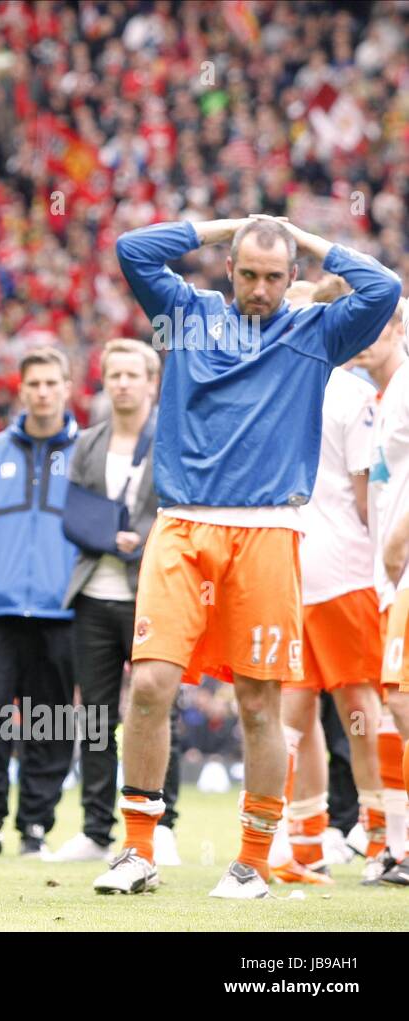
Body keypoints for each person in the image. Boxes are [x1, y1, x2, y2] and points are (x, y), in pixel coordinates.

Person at [94, 215, 401, 898]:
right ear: (228, 268)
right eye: (248, 273)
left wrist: (304, 237)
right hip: (180, 525)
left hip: (267, 531)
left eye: (273, 276)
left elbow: (383, 287)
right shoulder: (185, 312)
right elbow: (132, 249)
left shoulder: (315, 332)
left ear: (293, 279)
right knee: (147, 686)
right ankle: (139, 848)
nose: (259, 289)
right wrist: (233, 225)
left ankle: (253, 861)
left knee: (259, 702)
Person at [267, 279, 380, 886]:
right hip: (295, 573)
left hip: (339, 573)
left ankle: (384, 836)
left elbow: (367, 498)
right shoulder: (287, 387)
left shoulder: (345, 392)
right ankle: (304, 845)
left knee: (354, 706)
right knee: (301, 711)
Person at [54, 339, 182, 865]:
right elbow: (74, 512)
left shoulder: (170, 438)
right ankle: (96, 828)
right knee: (96, 719)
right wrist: (108, 539)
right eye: (114, 375)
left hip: (152, 594)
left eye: (133, 374)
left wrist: (144, 539)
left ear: (153, 382)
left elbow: (179, 509)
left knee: (154, 707)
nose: (123, 383)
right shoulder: (87, 442)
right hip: (93, 594)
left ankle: (162, 822)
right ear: (104, 382)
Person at [0, 347, 79, 858]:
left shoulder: (87, 452)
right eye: (34, 384)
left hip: (61, 612)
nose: (43, 392)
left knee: (50, 721)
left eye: (52, 383)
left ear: (67, 387)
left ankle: (35, 828)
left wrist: (72, 580)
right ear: (21, 389)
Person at [365, 295, 409, 884]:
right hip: (385, 574)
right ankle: (396, 844)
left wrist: (397, 545)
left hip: (402, 566)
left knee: (399, 699)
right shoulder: (379, 395)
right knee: (389, 704)